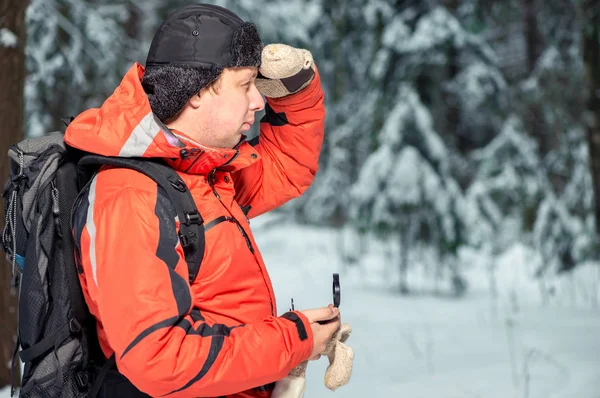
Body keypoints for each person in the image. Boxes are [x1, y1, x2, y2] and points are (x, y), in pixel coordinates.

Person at [63, 3, 339, 397]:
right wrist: (293, 340)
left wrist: (296, 92)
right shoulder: (131, 195)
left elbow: (285, 168)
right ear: (195, 92)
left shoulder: (199, 174)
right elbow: (158, 359)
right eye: (245, 85)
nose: (259, 101)